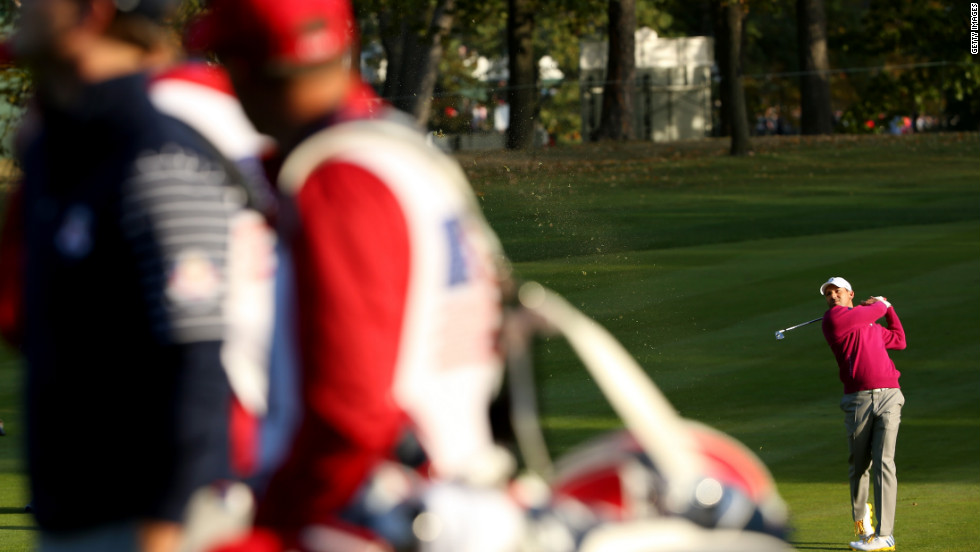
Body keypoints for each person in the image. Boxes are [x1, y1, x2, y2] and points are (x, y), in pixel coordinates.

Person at [195, 1, 522, 550]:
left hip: (378, 517)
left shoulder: (339, 179)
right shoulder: (398, 147)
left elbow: (350, 415)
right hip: (451, 498)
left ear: (247, 72)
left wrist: (272, 526)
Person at [2, 1, 243, 550]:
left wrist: (163, 523)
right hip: (73, 515)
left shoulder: (156, 152)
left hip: (149, 519)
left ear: (92, 12)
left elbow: (195, 355)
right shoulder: (54, 151)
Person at [819, 276, 906, 552]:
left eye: (838, 291)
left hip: (890, 395)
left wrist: (890, 310)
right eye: (828, 293)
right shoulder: (833, 320)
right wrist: (883, 304)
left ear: (850, 293)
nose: (833, 296)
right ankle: (861, 521)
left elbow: (899, 341)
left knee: (884, 463)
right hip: (858, 400)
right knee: (860, 464)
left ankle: (885, 535)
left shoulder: (869, 324)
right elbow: (875, 310)